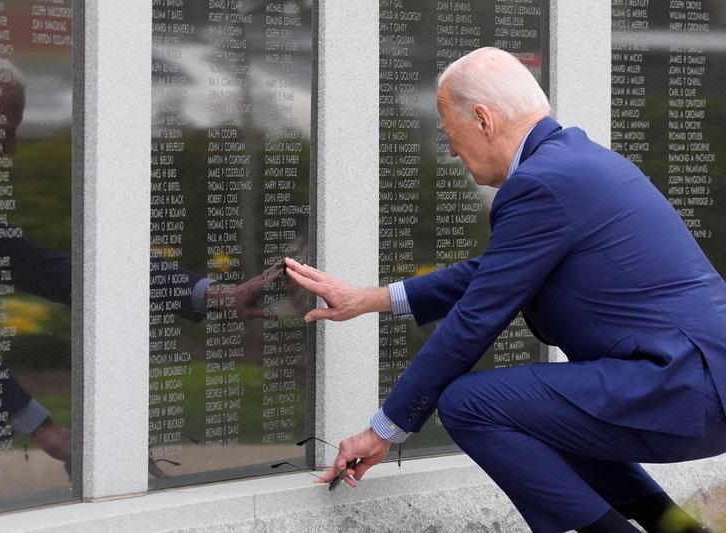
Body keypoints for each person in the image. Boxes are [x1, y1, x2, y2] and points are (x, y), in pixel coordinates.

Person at [284, 47, 726, 533]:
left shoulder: (542, 183)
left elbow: (477, 317)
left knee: (471, 404)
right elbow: (491, 273)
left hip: (683, 385)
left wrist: (383, 428)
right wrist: (368, 300)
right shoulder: (574, 162)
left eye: (450, 134)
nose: (452, 150)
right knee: (542, 417)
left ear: (483, 119)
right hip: (701, 381)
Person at [0, 47, 278, 483]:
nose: (10, 149)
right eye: (1, 130)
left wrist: (215, 294)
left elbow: (37, 265)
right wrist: (44, 427)